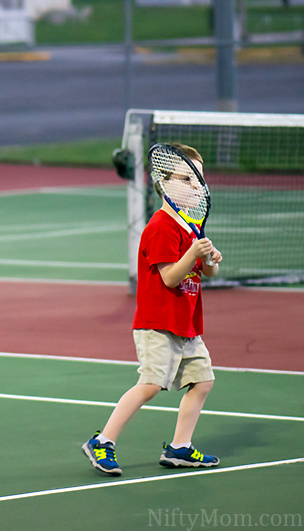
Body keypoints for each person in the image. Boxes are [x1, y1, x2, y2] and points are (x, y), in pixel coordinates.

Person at [82, 143, 223, 476]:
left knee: (202, 381)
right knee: (150, 384)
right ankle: (103, 441)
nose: (196, 186)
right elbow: (171, 278)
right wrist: (191, 255)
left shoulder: (190, 228)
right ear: (163, 182)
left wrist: (210, 259)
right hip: (157, 324)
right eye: (186, 178)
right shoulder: (160, 227)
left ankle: (180, 447)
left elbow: (207, 273)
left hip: (186, 324)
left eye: (199, 180)